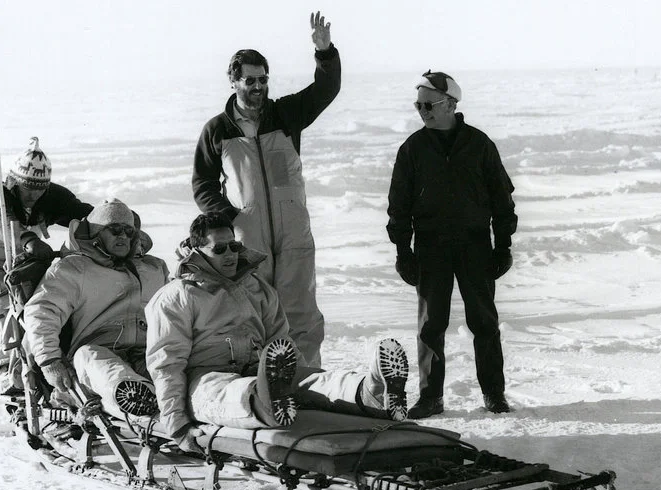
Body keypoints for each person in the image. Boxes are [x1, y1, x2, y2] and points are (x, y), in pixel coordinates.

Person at [145, 213, 409, 454]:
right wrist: (178, 425)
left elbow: (280, 342)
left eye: (234, 246)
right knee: (228, 393)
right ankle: (265, 401)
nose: (231, 255)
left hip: (263, 369)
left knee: (310, 381)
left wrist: (297, 377)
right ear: (196, 251)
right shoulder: (176, 297)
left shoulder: (257, 288)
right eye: (219, 249)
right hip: (206, 377)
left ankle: (368, 391)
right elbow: (167, 365)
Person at [192, 11, 340, 368]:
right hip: (248, 240)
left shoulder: (286, 114)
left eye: (263, 80)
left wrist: (325, 53)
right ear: (234, 81)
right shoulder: (217, 130)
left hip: (294, 233)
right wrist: (230, 217)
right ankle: (259, 381)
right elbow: (202, 184)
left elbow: (326, 89)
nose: (258, 88)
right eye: (250, 81)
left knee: (301, 313)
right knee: (253, 312)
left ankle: (307, 381)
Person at [386, 70, 518, 418]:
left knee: (484, 323)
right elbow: (398, 206)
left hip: (475, 246)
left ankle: (494, 393)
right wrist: (403, 251)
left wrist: (502, 245)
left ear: (450, 104)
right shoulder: (412, 149)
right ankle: (431, 398)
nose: (422, 111)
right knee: (431, 326)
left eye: (428, 104)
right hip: (431, 248)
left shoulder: (479, 144)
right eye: (418, 105)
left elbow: (502, 199)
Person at [0, 137, 93, 392]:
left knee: (52, 290)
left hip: (19, 263)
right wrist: (28, 239)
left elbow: (84, 214)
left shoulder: (51, 196)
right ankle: (6, 364)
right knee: (2, 286)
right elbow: (1, 221)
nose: (33, 195)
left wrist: (118, 224)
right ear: (14, 182)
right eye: (27, 189)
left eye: (39, 190)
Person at [22, 199, 169, 418]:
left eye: (129, 231)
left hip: (144, 353)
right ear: (95, 234)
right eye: (114, 230)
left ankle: (178, 400)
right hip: (95, 358)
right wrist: (50, 361)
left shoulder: (154, 269)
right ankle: (133, 397)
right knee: (90, 356)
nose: (123, 236)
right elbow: (42, 312)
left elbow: (175, 309)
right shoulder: (73, 269)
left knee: (167, 363)